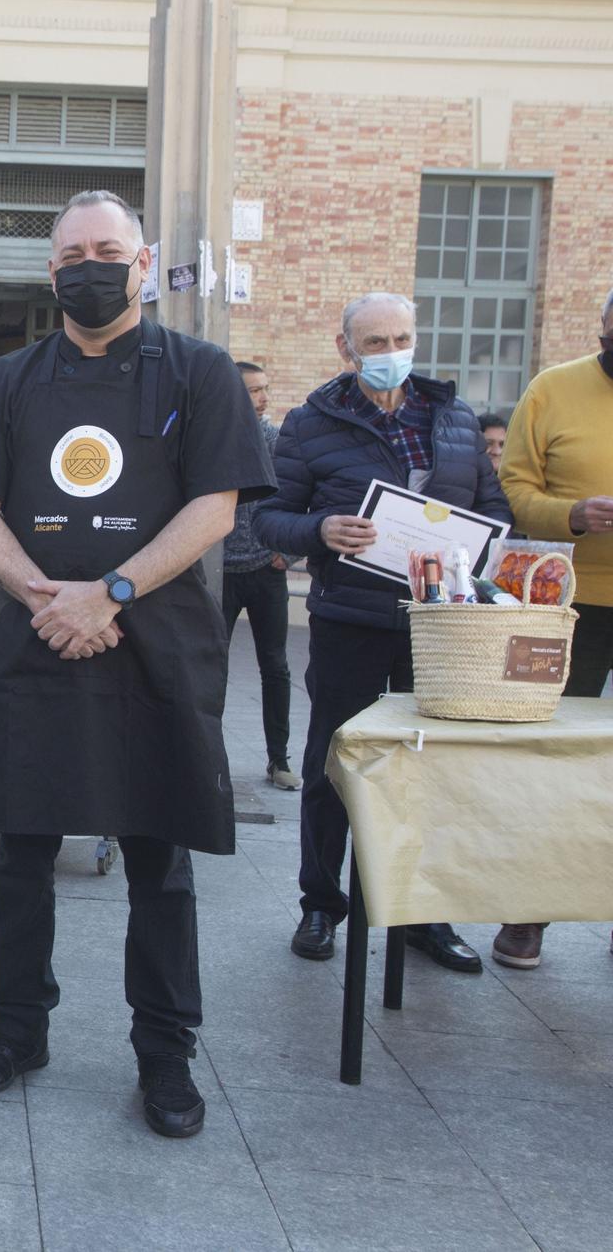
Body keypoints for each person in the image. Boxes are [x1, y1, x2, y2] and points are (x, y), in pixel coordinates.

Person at [0, 190, 272, 1140]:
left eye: (108, 250)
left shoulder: (200, 373)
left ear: (145, 261)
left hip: (154, 648)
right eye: (73, 253)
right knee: (21, 852)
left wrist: (109, 593)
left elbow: (215, 507)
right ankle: (16, 1026)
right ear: (52, 273)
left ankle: (165, 1048)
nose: (90, 265)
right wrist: (50, 596)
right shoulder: (10, 378)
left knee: (160, 860)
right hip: (38, 641)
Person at [253, 291, 511, 974]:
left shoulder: (452, 418)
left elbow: (492, 508)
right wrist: (320, 531)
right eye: (375, 342)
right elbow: (269, 517)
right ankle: (320, 901)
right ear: (346, 348)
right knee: (334, 761)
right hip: (352, 619)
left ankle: (424, 913)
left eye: (401, 337)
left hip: (442, 625)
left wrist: (484, 555)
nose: (392, 351)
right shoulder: (311, 423)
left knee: (433, 768)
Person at [490, 285, 613, 969]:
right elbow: (514, 491)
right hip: (574, 605)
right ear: (604, 327)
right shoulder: (553, 390)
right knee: (555, 763)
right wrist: (573, 513)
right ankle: (526, 914)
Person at [220, 361, 300, 791]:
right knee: (209, 666)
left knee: (276, 666)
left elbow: (304, 495)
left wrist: (287, 553)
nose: (263, 398)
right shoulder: (213, 439)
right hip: (220, 574)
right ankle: (208, 759)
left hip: (267, 570)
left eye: (265, 389)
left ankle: (279, 759)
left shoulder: (279, 440)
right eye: (253, 391)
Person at [477, 412, 508, 477]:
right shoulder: (465, 480)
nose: (497, 452)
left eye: (502, 444)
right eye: (488, 443)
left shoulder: (514, 481)